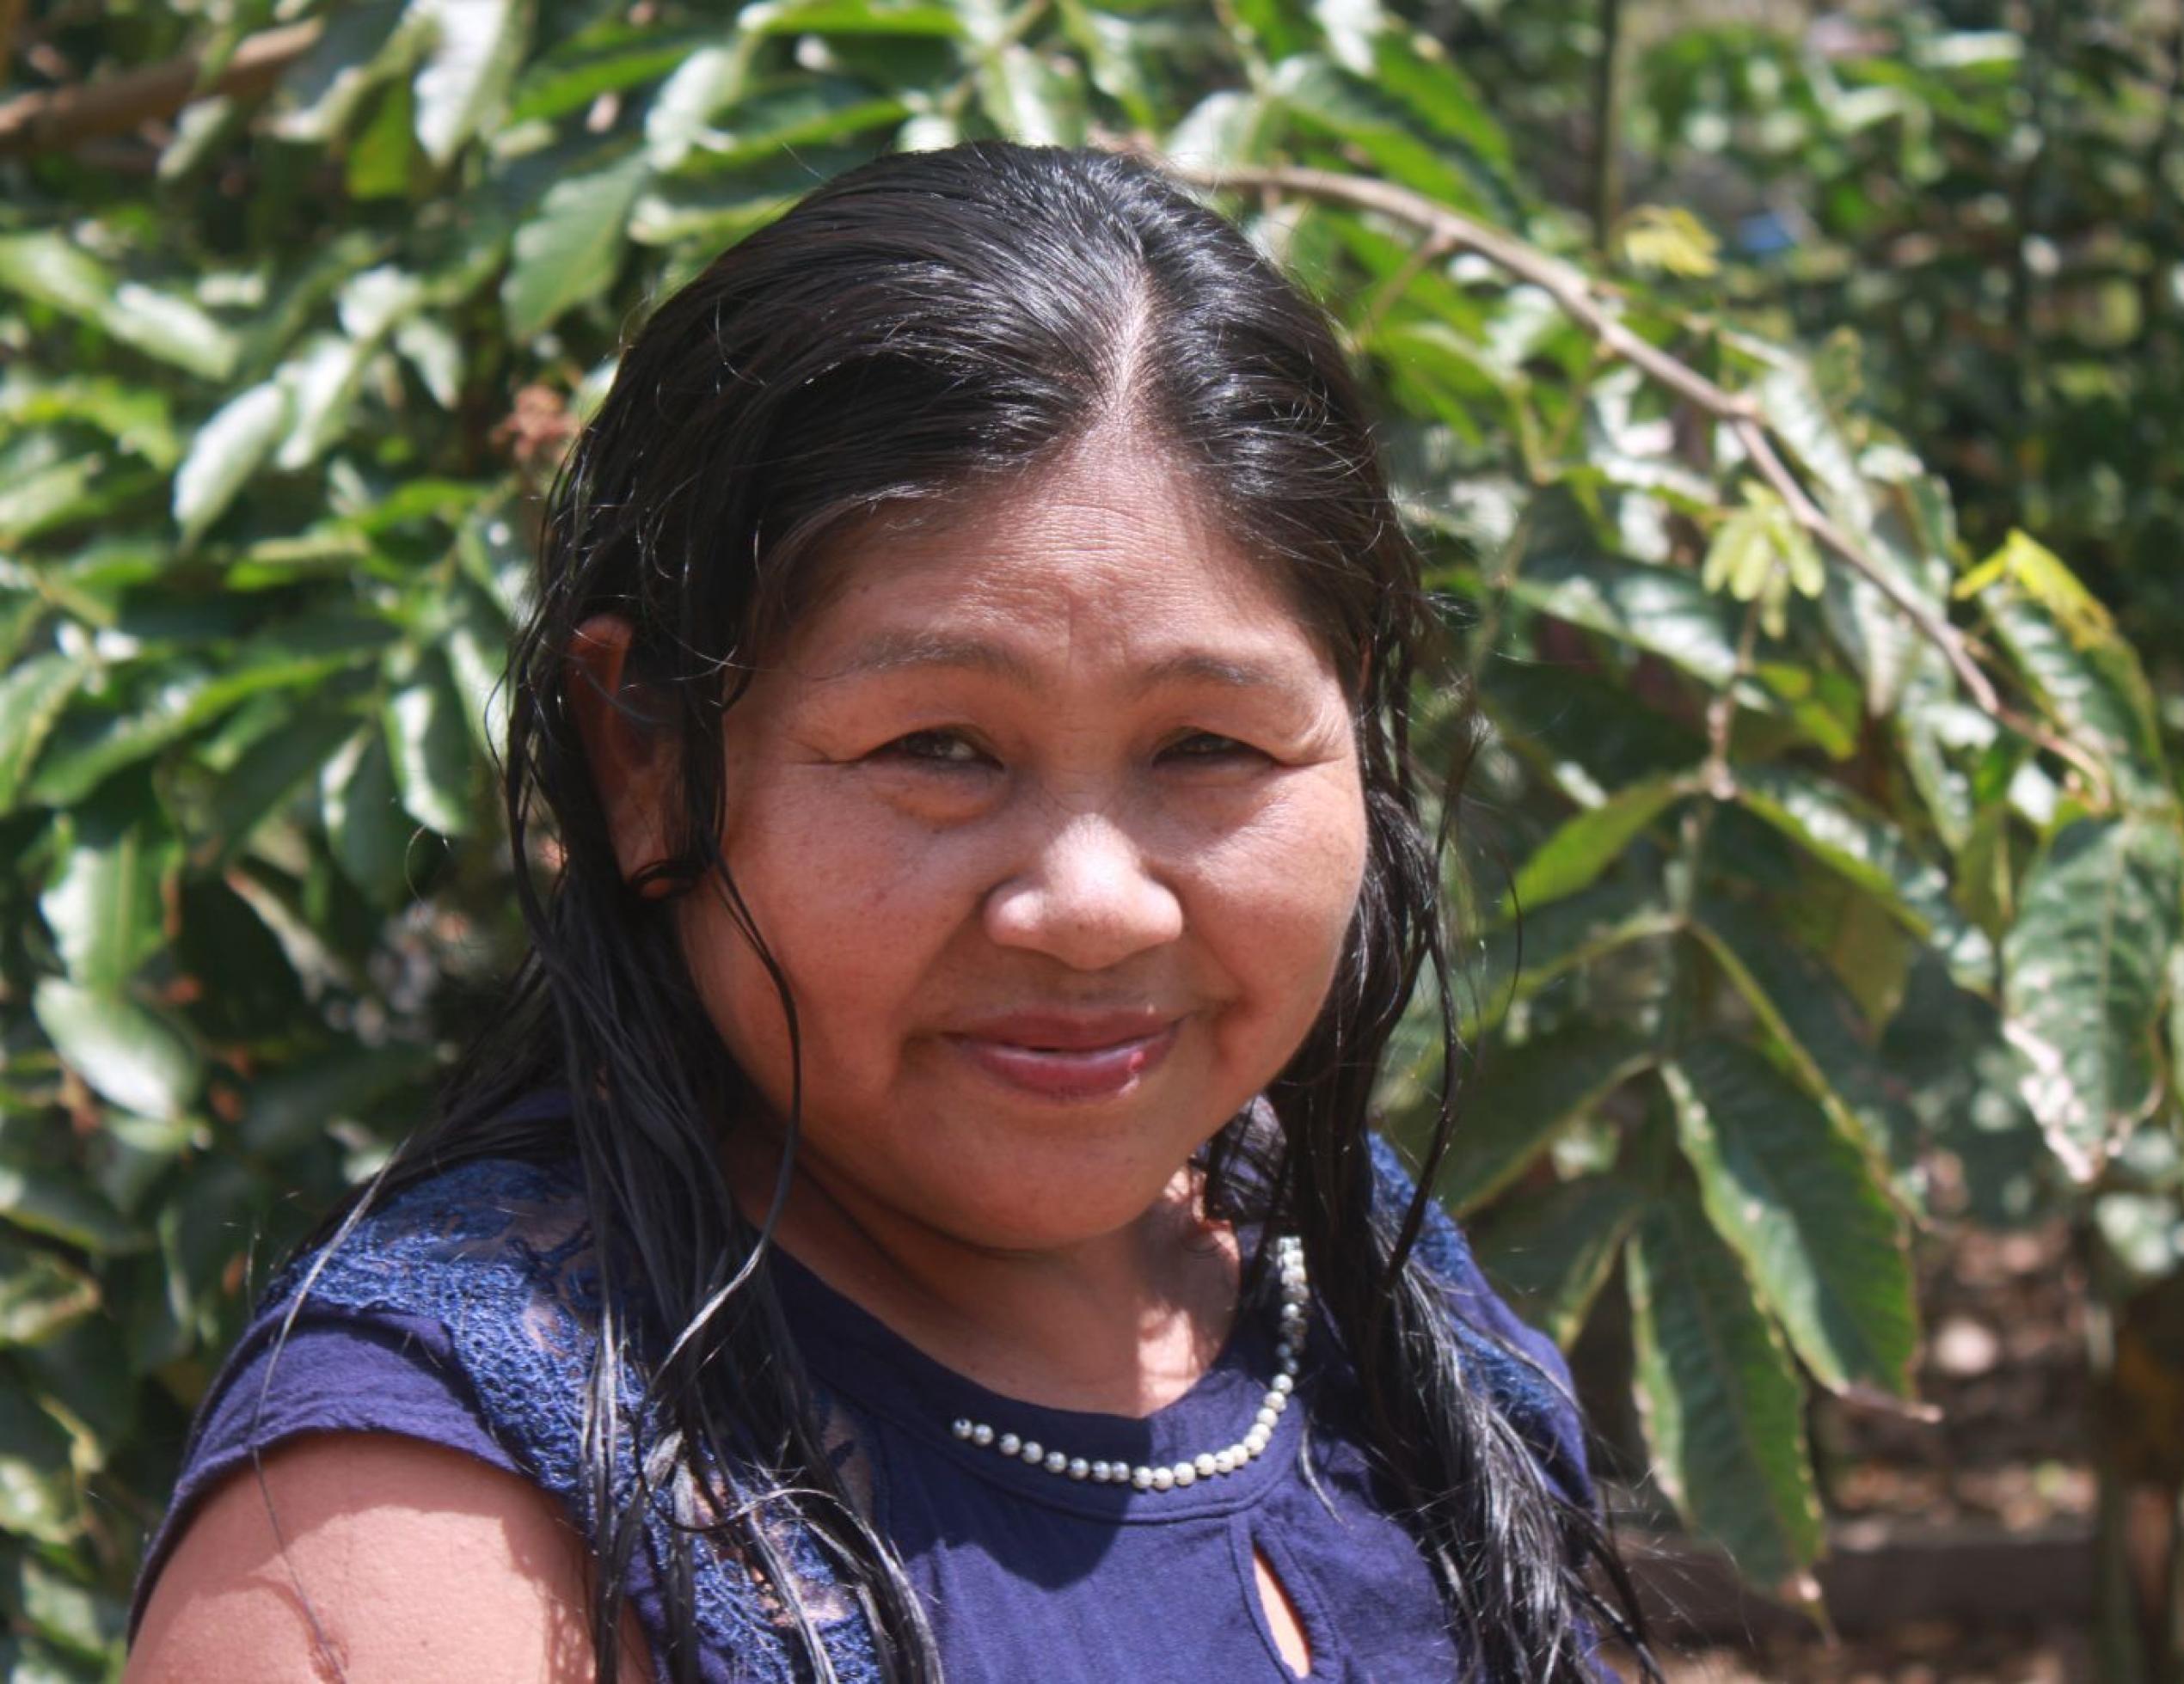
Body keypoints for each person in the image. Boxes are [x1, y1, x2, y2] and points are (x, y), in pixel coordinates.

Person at [126, 139, 1651, 1683]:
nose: (1089, 909)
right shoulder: (417, 1537)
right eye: (938, 750)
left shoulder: (1371, 1297)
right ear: (644, 762)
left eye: (1208, 747)